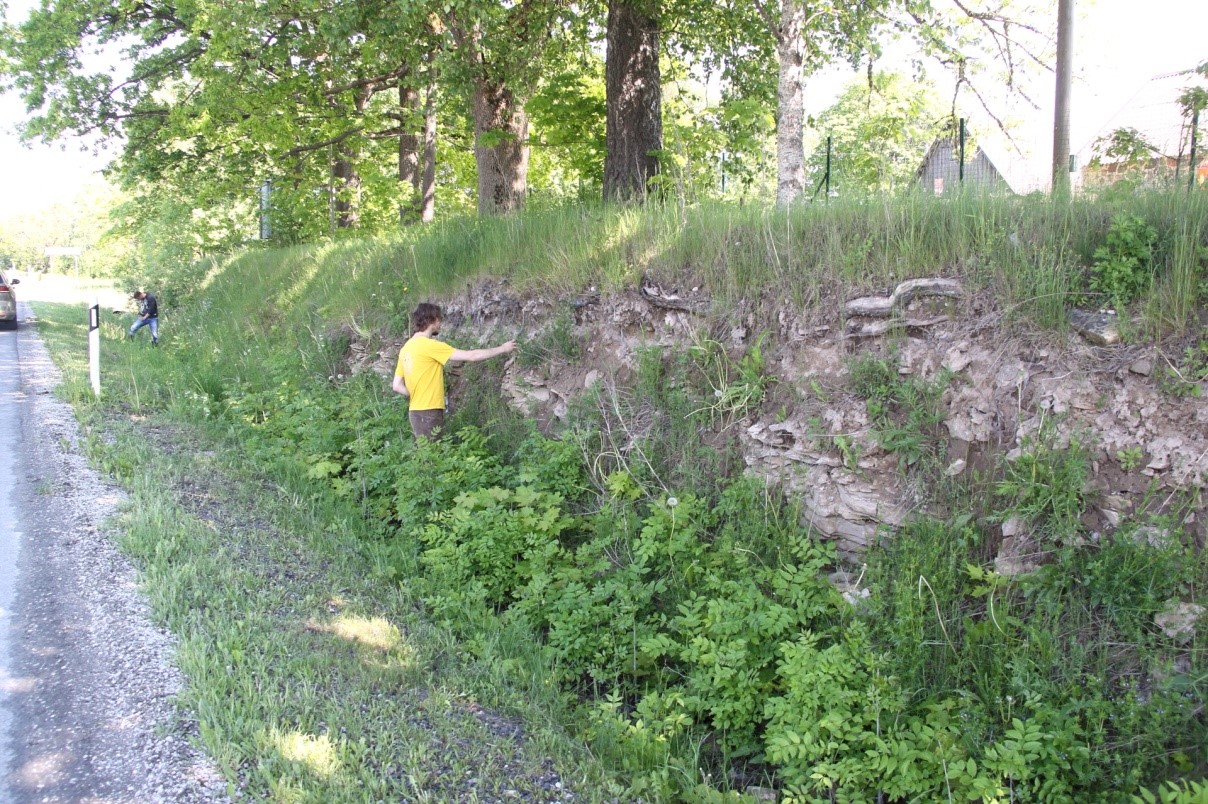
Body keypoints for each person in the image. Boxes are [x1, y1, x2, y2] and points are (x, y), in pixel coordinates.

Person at [393, 302, 515, 440]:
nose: (440, 323)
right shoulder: (429, 345)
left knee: (425, 455)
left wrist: (415, 393)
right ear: (431, 320)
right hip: (429, 411)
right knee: (432, 457)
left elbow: (397, 385)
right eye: (439, 319)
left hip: (415, 412)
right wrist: (503, 348)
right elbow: (472, 356)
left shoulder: (406, 348)